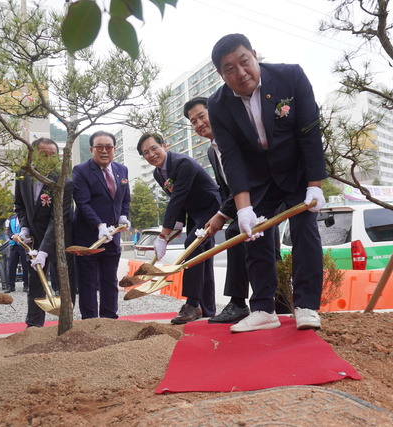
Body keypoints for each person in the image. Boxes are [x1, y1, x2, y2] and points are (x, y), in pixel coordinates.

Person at [207, 33, 327, 333]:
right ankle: (263, 309)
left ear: (255, 55)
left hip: (296, 170)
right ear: (221, 74)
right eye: (229, 69)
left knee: (304, 230)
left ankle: (306, 306)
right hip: (259, 177)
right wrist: (243, 208)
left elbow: (309, 131)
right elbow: (232, 158)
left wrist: (315, 184)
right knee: (255, 236)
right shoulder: (218, 104)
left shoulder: (290, 76)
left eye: (244, 62)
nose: (240, 73)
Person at [184, 97, 285, 324]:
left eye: (202, 116)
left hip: (266, 195)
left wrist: (222, 215)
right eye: (193, 121)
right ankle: (275, 300)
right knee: (257, 243)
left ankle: (241, 302)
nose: (199, 123)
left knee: (241, 236)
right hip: (242, 203)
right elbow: (226, 187)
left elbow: (250, 178)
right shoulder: (212, 151)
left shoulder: (235, 138)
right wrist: (223, 212)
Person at [137, 132, 221, 324]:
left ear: (164, 146)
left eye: (154, 148)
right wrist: (177, 225)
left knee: (192, 245)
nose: (151, 154)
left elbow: (177, 198)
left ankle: (192, 304)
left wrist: (163, 236)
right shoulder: (158, 173)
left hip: (210, 206)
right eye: (146, 153)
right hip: (193, 212)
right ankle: (208, 309)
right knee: (203, 256)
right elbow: (177, 200)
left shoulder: (183, 163)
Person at [13, 137, 75, 327]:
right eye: (43, 154)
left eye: (52, 155)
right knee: (35, 282)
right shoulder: (22, 175)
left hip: (60, 238)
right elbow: (19, 205)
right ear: (33, 156)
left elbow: (57, 219)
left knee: (66, 282)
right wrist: (24, 227)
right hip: (34, 237)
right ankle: (33, 325)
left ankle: (66, 324)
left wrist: (44, 250)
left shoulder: (64, 182)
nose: (48, 159)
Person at [72, 131, 131, 319]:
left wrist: (123, 216)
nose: (104, 151)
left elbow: (125, 200)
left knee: (110, 280)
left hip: (113, 236)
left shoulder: (122, 170)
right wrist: (99, 225)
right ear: (91, 149)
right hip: (88, 235)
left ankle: (109, 318)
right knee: (88, 281)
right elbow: (83, 203)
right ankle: (90, 322)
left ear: (114, 149)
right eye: (99, 147)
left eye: (108, 147)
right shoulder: (81, 170)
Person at [5, 211, 30, 293]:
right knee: (11, 265)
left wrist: (19, 237)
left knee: (25, 265)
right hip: (13, 244)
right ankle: (11, 286)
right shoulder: (12, 218)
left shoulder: (25, 217)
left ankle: (26, 284)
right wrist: (12, 236)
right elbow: (8, 230)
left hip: (23, 245)